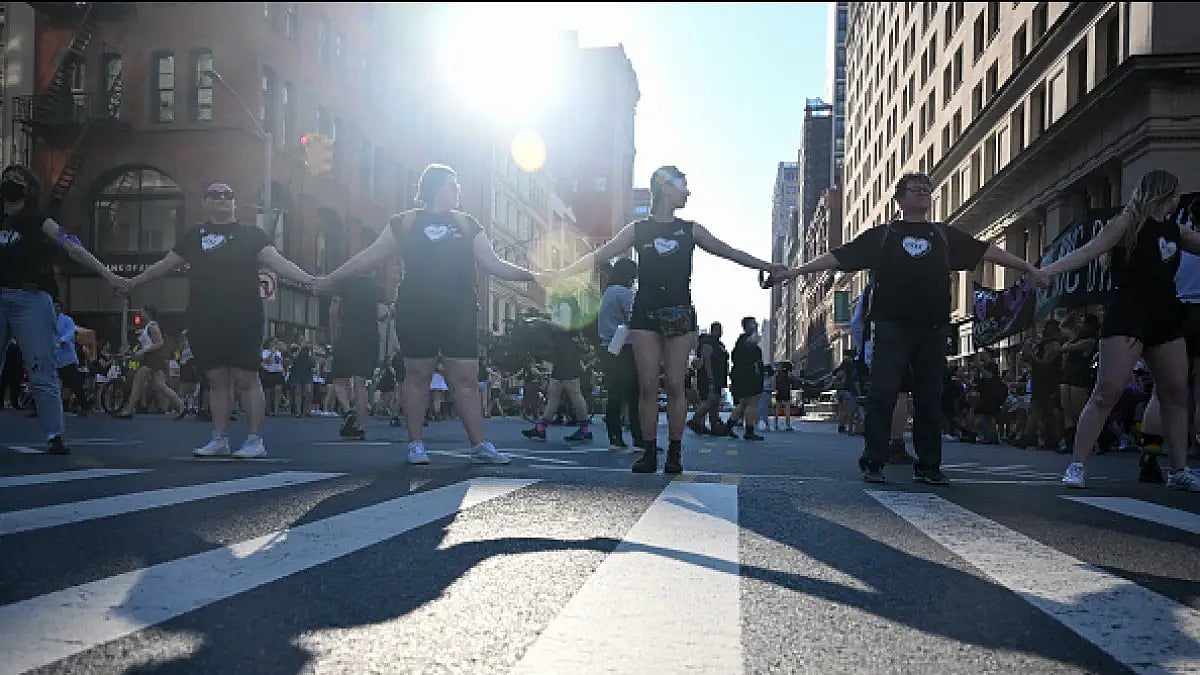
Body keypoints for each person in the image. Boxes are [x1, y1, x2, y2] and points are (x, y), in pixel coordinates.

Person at [779, 171, 1046, 484]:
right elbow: (839, 257)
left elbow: (987, 250)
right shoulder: (883, 236)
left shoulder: (944, 236)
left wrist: (1028, 267)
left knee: (929, 399)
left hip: (933, 329)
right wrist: (796, 271)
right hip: (890, 327)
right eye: (915, 189)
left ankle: (930, 466)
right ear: (900, 199)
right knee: (882, 396)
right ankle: (874, 461)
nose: (922, 193)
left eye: (926, 189)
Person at [549, 165, 784, 474]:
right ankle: (648, 451)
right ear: (664, 187)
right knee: (647, 384)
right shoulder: (638, 230)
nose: (688, 192)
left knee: (674, 383)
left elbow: (729, 252)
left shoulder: (690, 230)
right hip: (644, 311)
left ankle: (674, 452)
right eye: (682, 185)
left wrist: (769, 266)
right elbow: (599, 255)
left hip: (679, 312)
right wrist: (560, 274)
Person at [314, 163, 544, 465]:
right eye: (453, 184)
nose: (458, 190)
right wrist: (331, 279)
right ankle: (416, 445)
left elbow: (494, 263)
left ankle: (479, 445)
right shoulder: (405, 223)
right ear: (436, 188)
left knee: (465, 377)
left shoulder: (467, 224)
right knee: (417, 375)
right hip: (416, 308)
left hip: (458, 310)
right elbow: (369, 256)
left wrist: (536, 276)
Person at [123, 181, 315, 458]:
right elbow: (164, 265)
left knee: (246, 376)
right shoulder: (193, 236)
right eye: (216, 194)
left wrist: (310, 281)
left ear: (235, 203)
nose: (224, 198)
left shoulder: (252, 234)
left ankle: (254, 440)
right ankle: (219, 438)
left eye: (229, 195)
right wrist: (133, 282)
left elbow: (278, 262)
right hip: (205, 316)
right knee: (216, 379)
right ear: (205, 202)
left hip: (244, 315)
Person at [1040, 170, 1200, 491]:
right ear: (1163, 193)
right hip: (1128, 310)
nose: (1174, 200)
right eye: (1173, 194)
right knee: (1107, 390)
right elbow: (1088, 251)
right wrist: (1048, 271)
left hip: (1166, 313)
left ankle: (1179, 470)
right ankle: (1077, 465)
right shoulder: (1126, 223)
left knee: (1175, 392)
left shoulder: (1174, 229)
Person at [0, 164, 126, 453]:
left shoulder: (40, 221)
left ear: (29, 190)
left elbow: (72, 248)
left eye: (18, 181)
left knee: (41, 365)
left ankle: (54, 435)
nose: (11, 184)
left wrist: (108, 275)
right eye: (7, 179)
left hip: (30, 298)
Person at [523, 300, 593, 443]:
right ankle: (541, 428)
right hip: (562, 354)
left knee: (574, 393)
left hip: (566, 355)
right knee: (554, 393)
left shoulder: (565, 304)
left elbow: (565, 326)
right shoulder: (565, 304)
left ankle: (584, 429)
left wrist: (543, 322)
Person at [330, 274, 387, 439]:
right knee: (360, 384)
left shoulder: (344, 283)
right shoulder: (378, 289)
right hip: (369, 337)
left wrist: (334, 336)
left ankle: (348, 411)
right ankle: (360, 426)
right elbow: (381, 314)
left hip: (348, 334)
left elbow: (333, 311)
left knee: (340, 380)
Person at [598, 258, 642, 449]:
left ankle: (614, 434)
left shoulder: (608, 292)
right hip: (625, 347)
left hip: (609, 347)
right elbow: (635, 318)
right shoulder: (624, 293)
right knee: (634, 395)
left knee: (615, 394)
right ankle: (639, 437)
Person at [113, 304, 185, 419]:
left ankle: (129, 410)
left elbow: (160, 343)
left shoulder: (152, 326)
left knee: (138, 382)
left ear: (148, 313)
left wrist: (143, 351)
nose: (141, 315)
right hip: (150, 357)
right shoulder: (148, 326)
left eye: (142, 312)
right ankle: (181, 406)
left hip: (152, 358)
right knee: (160, 385)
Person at [726, 316, 766, 440]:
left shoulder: (741, 340)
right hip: (749, 375)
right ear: (749, 326)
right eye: (754, 323)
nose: (757, 325)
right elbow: (754, 341)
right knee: (752, 402)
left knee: (743, 403)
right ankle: (749, 430)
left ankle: (728, 427)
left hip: (743, 375)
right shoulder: (745, 339)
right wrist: (755, 330)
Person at [53, 300, 89, 416]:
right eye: (54, 306)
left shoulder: (67, 320)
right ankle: (45, 408)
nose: (56, 309)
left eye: (58, 306)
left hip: (67, 358)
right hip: (53, 357)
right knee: (49, 384)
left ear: (61, 308)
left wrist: (62, 341)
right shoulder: (48, 320)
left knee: (74, 384)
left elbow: (70, 333)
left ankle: (85, 406)